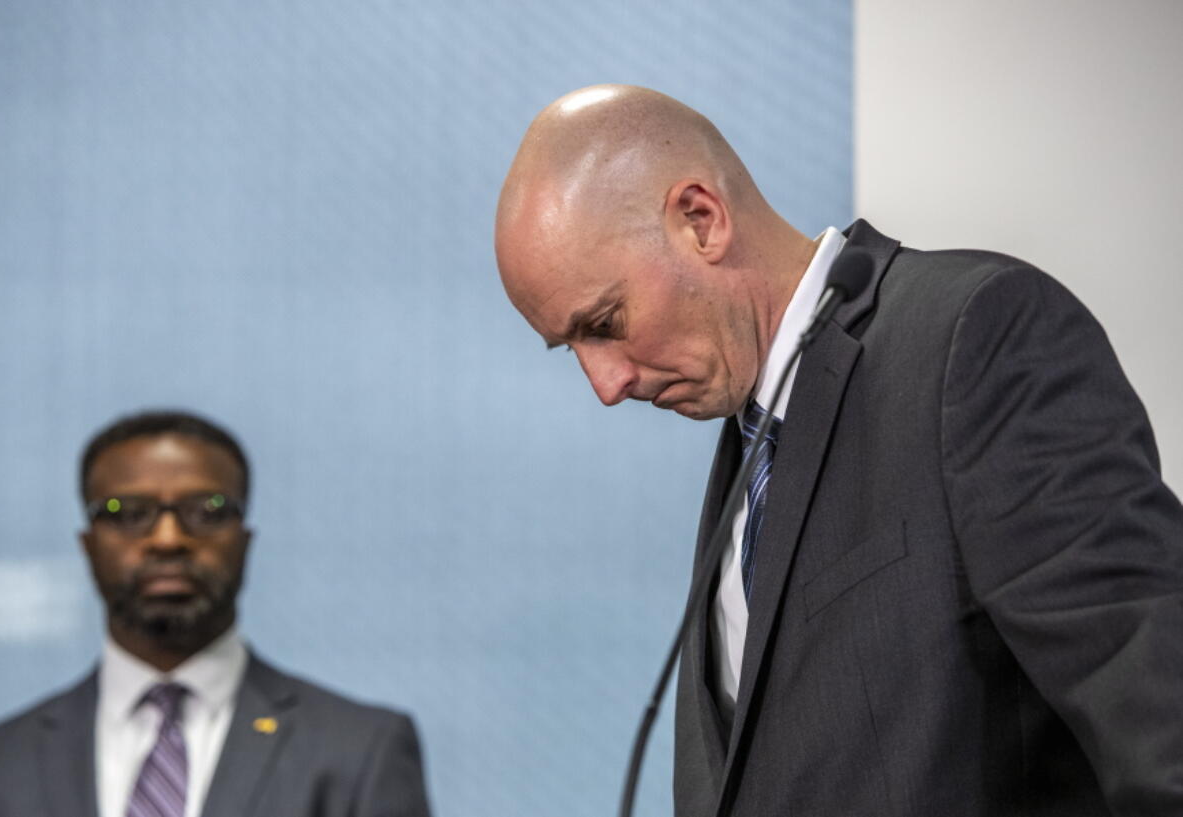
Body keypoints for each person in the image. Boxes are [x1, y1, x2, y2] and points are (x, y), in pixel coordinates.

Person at [494, 84, 1183, 816]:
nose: (604, 384)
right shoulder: (749, 453)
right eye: (567, 347)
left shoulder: (972, 340)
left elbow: (1161, 715)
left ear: (701, 219)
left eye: (605, 321)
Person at [0, 410, 433, 817]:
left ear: (245, 540)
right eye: (126, 511)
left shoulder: (360, 749)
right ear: (88, 544)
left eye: (208, 509)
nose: (168, 538)